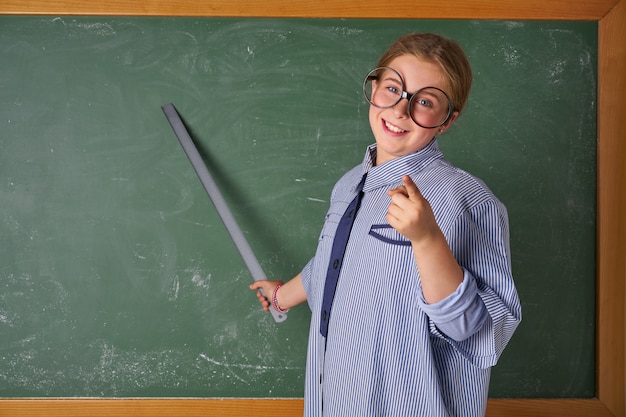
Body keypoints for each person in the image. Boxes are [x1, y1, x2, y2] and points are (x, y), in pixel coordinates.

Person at [250, 32, 521, 417]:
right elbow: (336, 263)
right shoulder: (349, 185)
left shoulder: (467, 200)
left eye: (424, 101)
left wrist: (426, 240)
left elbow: (482, 332)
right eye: (393, 88)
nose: (399, 110)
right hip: (335, 400)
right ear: (374, 88)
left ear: (447, 120)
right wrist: (283, 296)